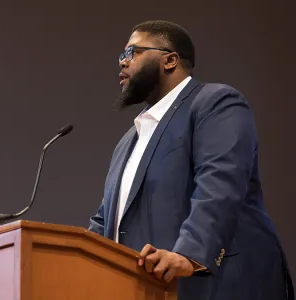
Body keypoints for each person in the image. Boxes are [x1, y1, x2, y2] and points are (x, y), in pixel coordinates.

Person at [89, 20, 294, 300]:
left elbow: (220, 185)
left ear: (169, 60)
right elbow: (105, 222)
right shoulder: (128, 141)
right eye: (121, 56)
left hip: (217, 287)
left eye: (132, 52)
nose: (122, 63)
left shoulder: (215, 103)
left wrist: (189, 253)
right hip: (147, 289)